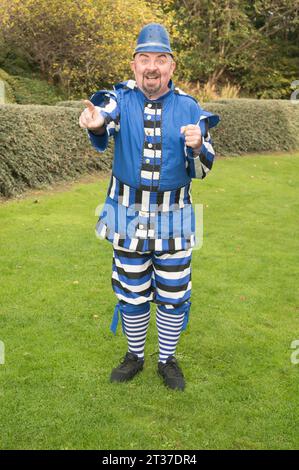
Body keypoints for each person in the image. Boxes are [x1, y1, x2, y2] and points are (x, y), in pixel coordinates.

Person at [79, 23, 220, 391]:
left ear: (171, 67)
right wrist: (95, 124)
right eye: (145, 59)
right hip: (125, 215)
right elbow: (103, 119)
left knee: (174, 294)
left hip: (175, 217)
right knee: (132, 290)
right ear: (134, 65)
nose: (152, 67)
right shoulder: (120, 100)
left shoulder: (190, 107)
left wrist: (197, 146)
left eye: (160, 59)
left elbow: (204, 167)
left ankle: (166, 359)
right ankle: (135, 355)